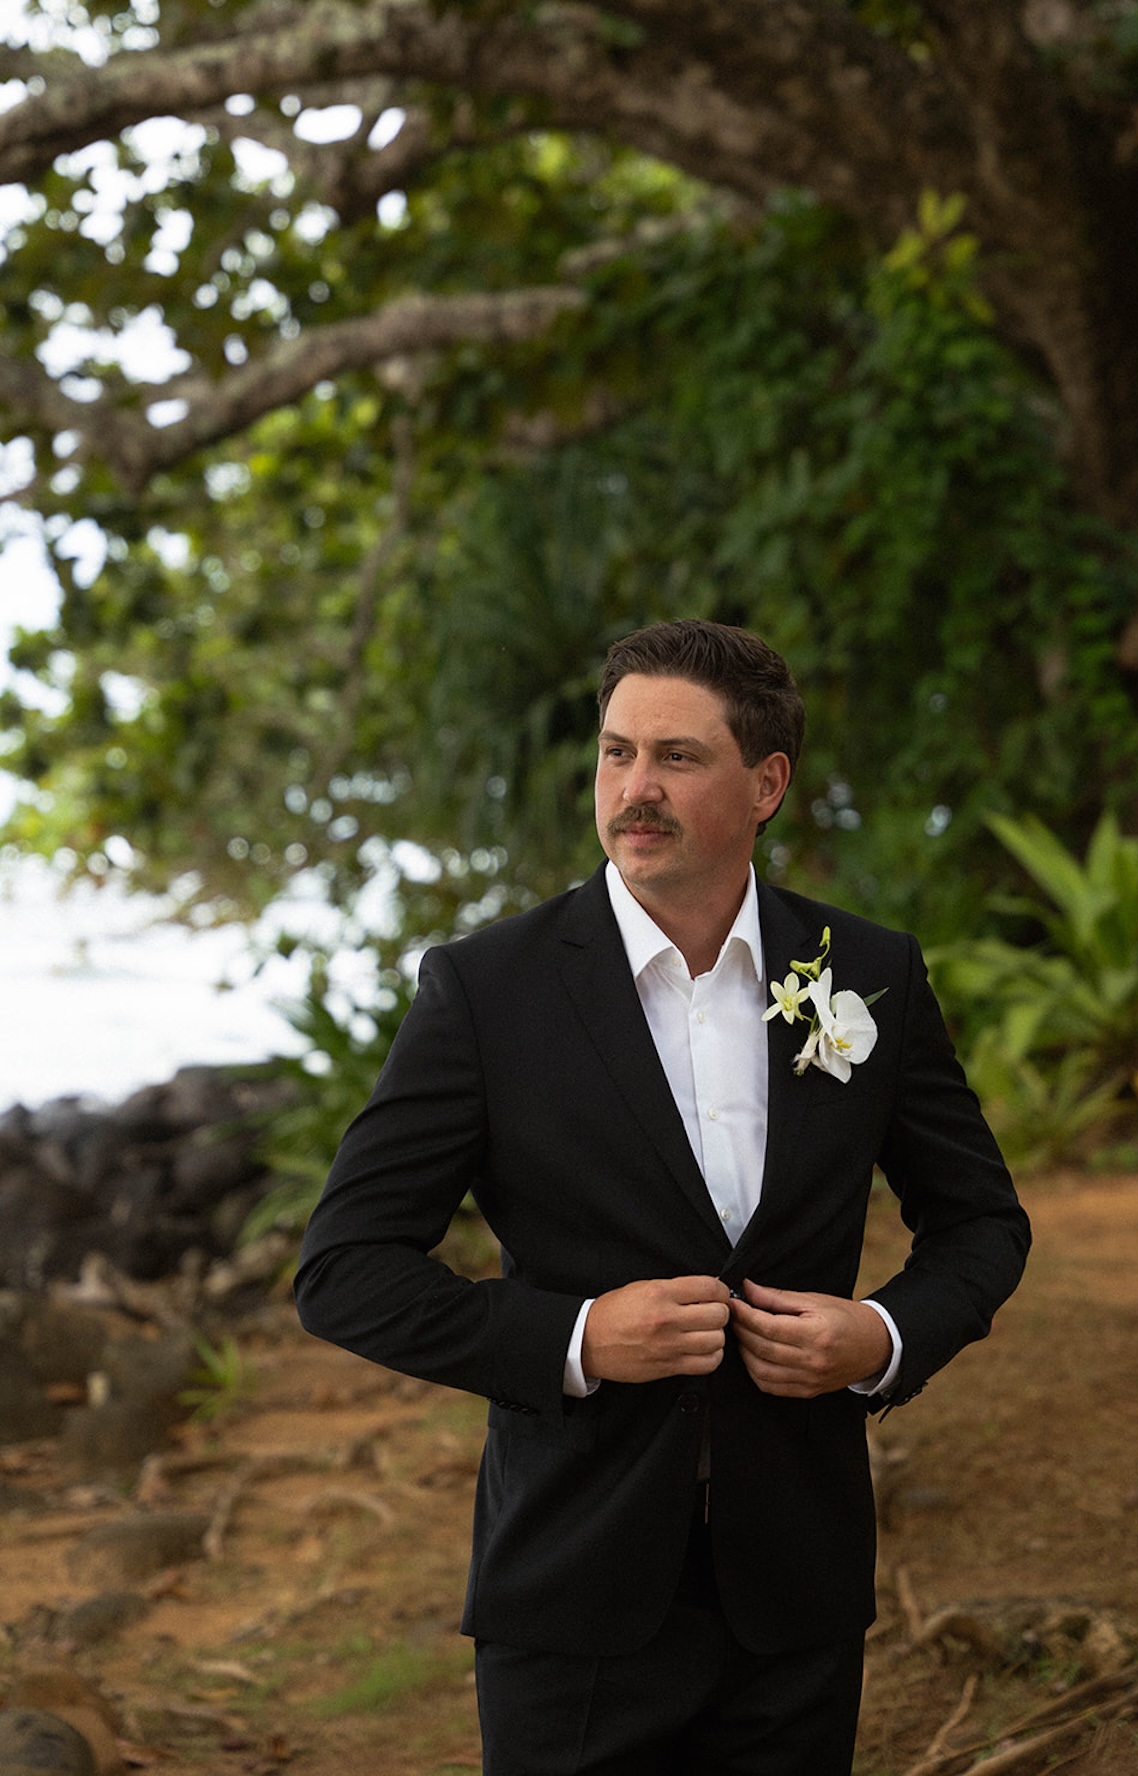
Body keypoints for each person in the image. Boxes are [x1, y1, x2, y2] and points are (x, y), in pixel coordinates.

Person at [294, 619, 1031, 1776]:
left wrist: (881, 1337)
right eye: (616, 752)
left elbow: (980, 1221)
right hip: (572, 1586)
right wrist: (578, 1337)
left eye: (676, 757)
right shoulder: (485, 991)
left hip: (796, 1585)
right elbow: (344, 1270)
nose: (635, 788)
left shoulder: (864, 973)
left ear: (765, 784)